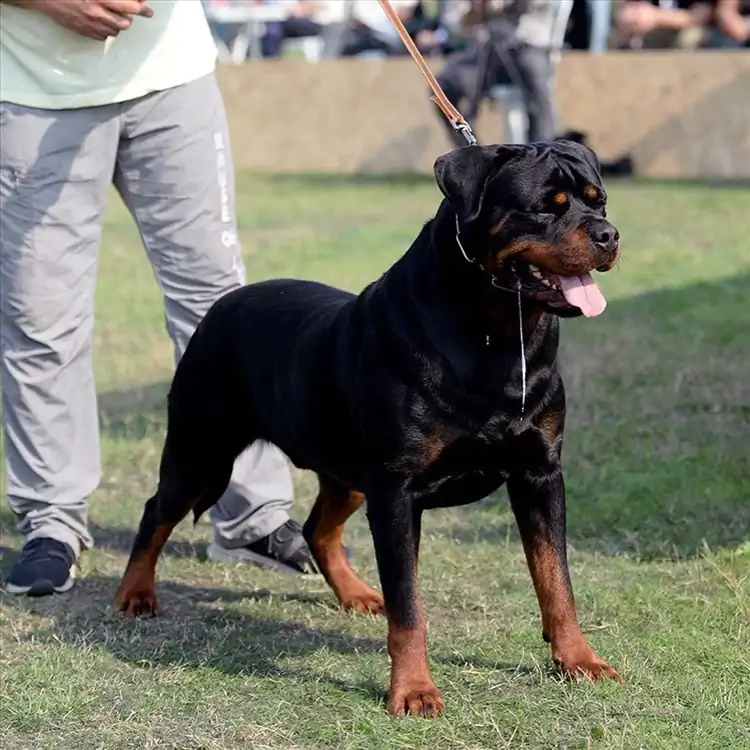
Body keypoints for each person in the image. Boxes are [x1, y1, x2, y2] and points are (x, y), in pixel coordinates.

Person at [0, 0, 316, 597]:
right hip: (30, 91)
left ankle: (250, 514)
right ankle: (52, 520)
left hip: (171, 81)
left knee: (219, 305)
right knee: (39, 316)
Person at [434, 0, 563, 148]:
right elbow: (458, 27)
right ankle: (473, 156)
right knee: (443, 86)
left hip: (528, 45)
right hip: (486, 53)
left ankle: (542, 155)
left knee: (536, 85)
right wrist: (478, 7)